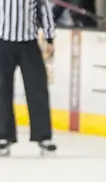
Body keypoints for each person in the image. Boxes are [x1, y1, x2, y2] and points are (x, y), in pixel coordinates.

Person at [0, 0, 58, 156]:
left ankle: (44, 137)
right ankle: (3, 136)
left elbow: (45, 9)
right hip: (2, 41)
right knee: (2, 89)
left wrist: (50, 37)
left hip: (29, 43)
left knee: (37, 88)